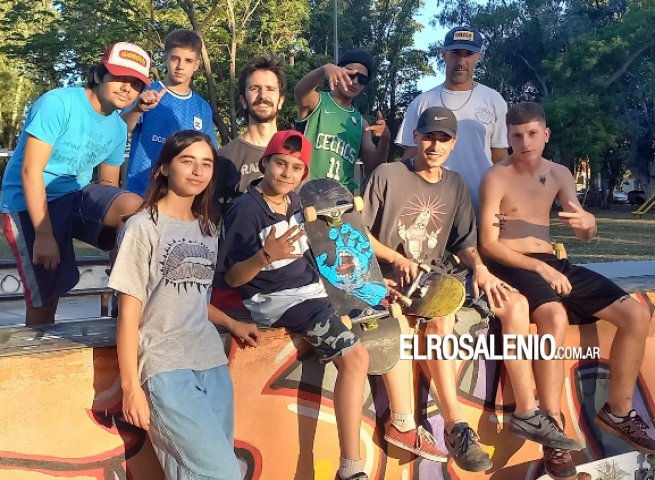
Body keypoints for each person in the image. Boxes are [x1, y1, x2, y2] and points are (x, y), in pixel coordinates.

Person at [362, 107, 580, 472]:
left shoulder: (455, 184)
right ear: (416, 136)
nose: (434, 145)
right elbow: (360, 235)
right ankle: (456, 425)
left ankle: (528, 411)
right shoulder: (388, 174)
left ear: (454, 144)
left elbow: (464, 242)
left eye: (443, 139)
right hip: (391, 280)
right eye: (429, 136)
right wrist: (396, 260)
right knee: (441, 316)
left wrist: (480, 268)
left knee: (514, 303)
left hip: (435, 274)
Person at [478, 102, 655, 479]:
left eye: (531, 133)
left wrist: (588, 225)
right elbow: (488, 244)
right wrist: (539, 265)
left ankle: (618, 412)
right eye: (516, 135)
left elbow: (583, 230)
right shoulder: (496, 176)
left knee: (637, 315)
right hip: (513, 264)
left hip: (555, 264)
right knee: (554, 317)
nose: (524, 142)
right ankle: (553, 432)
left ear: (546, 134)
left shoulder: (559, 173)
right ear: (506, 138)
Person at [217, 130, 370, 480]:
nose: (286, 173)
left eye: (296, 168)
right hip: (278, 302)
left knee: (380, 321)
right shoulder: (246, 210)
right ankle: (351, 469)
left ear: (304, 174)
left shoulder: (299, 204)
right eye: (280, 164)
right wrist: (266, 255)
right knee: (355, 357)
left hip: (312, 291)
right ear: (264, 164)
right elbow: (233, 277)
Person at [109, 130, 260, 480]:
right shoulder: (142, 227)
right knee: (222, 473)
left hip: (211, 362)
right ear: (164, 167)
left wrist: (232, 324)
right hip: (165, 366)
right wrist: (131, 388)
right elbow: (129, 313)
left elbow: (192, 297)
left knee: (197, 472)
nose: (197, 171)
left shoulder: (207, 229)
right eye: (187, 161)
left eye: (206, 163)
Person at [1, 42, 149, 326]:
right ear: (99, 75)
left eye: (135, 83)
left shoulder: (118, 127)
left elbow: (108, 185)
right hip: (27, 201)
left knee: (134, 207)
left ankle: (126, 295)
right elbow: (31, 172)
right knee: (47, 298)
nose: (126, 88)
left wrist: (118, 244)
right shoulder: (58, 103)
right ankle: (39, 355)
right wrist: (44, 235)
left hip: (75, 196)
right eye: (119, 77)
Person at [396, 25, 508, 212]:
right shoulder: (422, 102)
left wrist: (508, 198)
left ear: (478, 57)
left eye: (468, 54)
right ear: (444, 54)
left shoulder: (493, 100)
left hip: (482, 206)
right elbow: (410, 155)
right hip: (432, 207)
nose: (461, 61)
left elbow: (500, 158)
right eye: (455, 53)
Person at [123, 29, 217, 197]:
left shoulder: (202, 107)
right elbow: (119, 130)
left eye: (188, 60)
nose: (180, 66)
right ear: (166, 58)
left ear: (196, 65)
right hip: (140, 192)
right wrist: (137, 109)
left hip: (182, 199)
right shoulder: (146, 92)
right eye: (175, 58)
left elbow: (210, 155)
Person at [295, 49, 390, 192]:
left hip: (342, 201)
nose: (355, 81)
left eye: (362, 79)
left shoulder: (361, 123)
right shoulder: (317, 101)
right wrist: (323, 70)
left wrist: (385, 139)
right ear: (338, 71)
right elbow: (300, 91)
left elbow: (373, 167)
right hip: (306, 193)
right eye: (350, 74)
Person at [214, 55, 286, 216]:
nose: (262, 96)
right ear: (243, 100)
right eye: (254, 88)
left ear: (280, 101)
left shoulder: (296, 154)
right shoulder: (224, 158)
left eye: (270, 89)